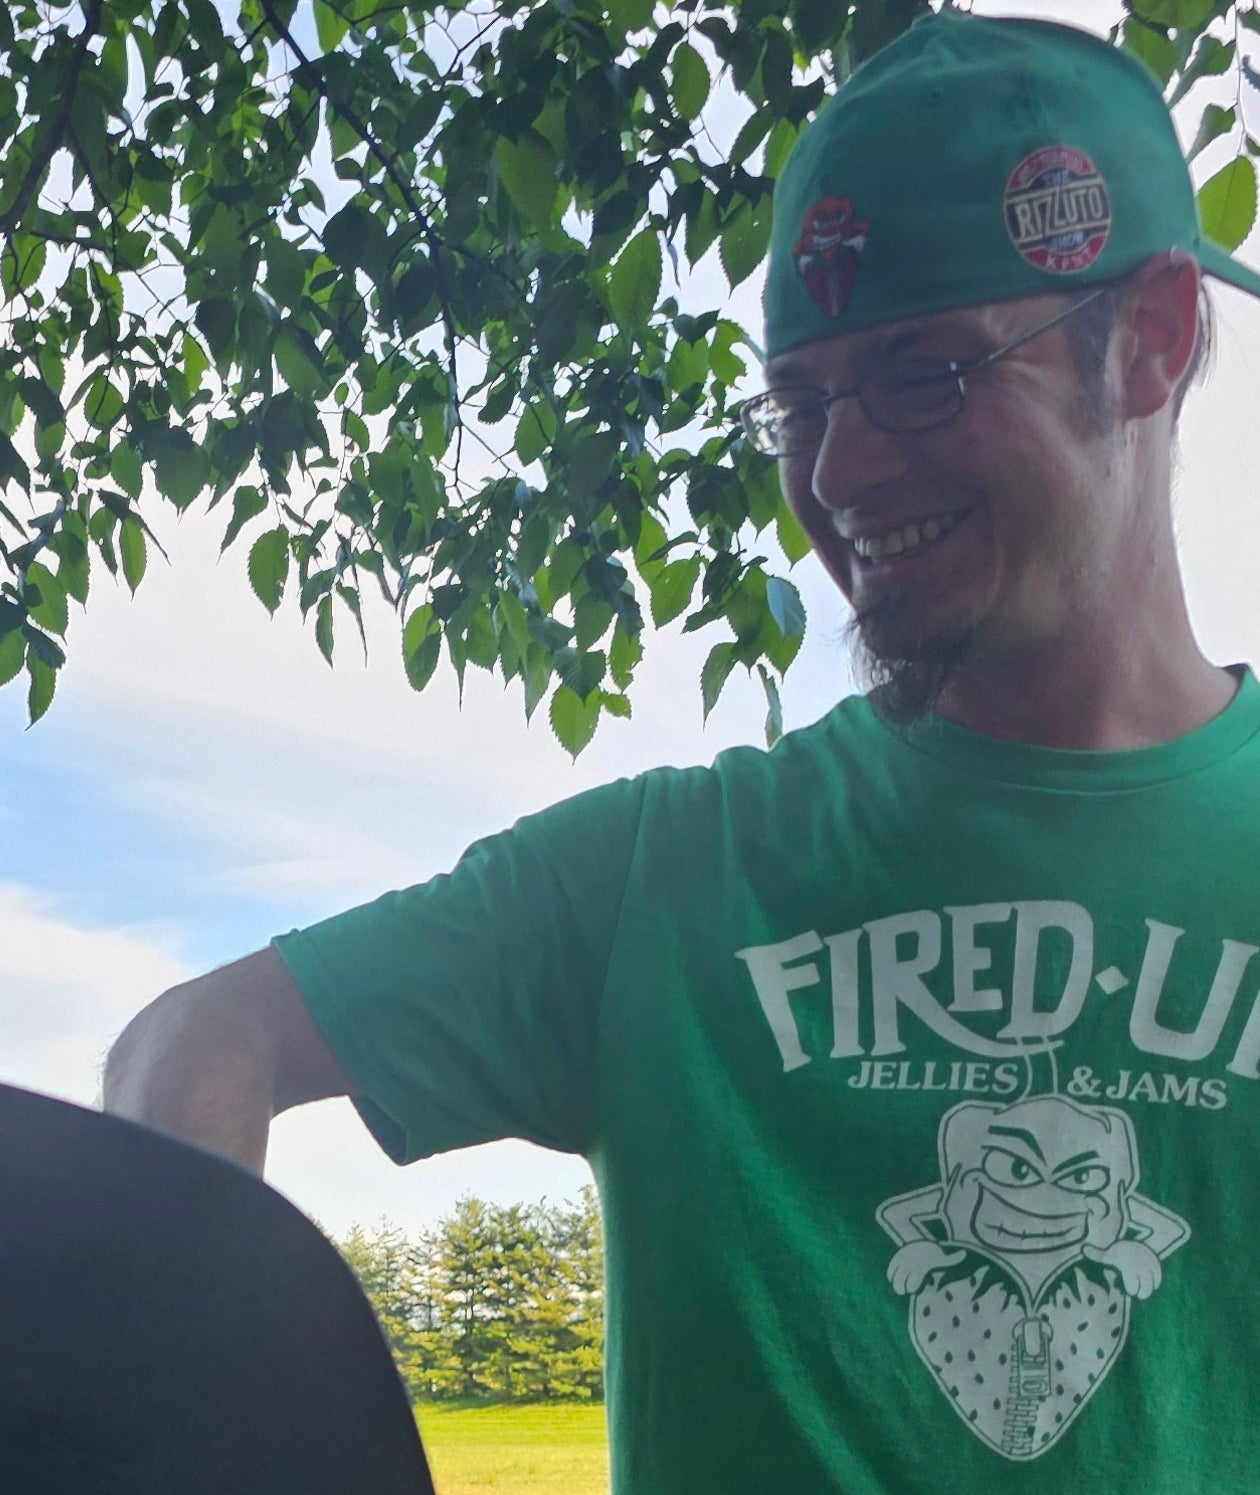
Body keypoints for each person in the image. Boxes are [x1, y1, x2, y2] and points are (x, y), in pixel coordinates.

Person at [103, 12, 1260, 1491]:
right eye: (801, 403)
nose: (839, 470)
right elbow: (198, 1041)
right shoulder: (666, 877)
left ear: (1152, 340)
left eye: (927, 375)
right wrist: (189, 1418)